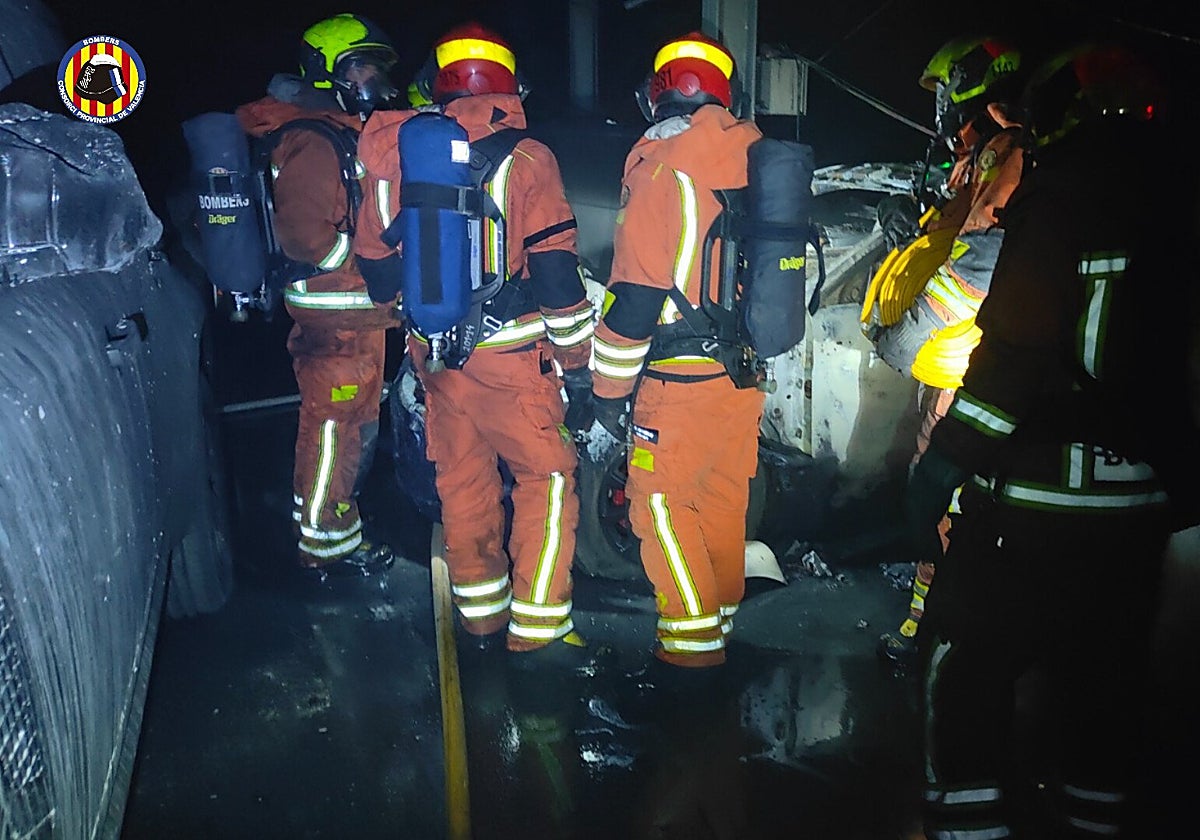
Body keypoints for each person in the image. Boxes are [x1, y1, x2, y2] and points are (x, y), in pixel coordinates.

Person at [906, 41, 1200, 838]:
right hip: (1140, 508)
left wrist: (943, 465)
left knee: (960, 669)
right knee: (1106, 693)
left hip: (1036, 501)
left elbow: (1013, 356)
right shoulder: (1178, 201)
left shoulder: (1062, 195)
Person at [353, 22, 596, 662]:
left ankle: (480, 622)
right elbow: (554, 270)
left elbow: (377, 266)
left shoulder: (403, 150)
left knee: (463, 485)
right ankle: (539, 632)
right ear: (511, 84)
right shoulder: (528, 157)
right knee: (547, 481)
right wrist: (578, 366)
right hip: (513, 362)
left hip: (436, 358)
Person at [587, 31, 766, 673]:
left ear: (658, 95)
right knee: (721, 499)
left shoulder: (660, 170)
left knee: (660, 505)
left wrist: (606, 399)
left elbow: (633, 297)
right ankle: (717, 628)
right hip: (741, 375)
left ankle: (688, 659)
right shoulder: (756, 159)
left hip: (677, 381)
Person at [863, 35, 1025, 662]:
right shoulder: (984, 154)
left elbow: (979, 260)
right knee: (939, 489)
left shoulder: (1009, 155)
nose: (942, 111)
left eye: (946, 94)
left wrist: (917, 326)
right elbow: (958, 231)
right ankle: (931, 622)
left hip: (967, 359)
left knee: (949, 492)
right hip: (956, 359)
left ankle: (937, 633)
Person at [235, 13, 402, 579]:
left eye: (376, 66)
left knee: (349, 425)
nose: (373, 77)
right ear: (325, 71)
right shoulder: (312, 136)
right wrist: (360, 266)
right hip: (337, 314)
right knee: (332, 428)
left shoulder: (336, 129)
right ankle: (324, 544)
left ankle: (338, 527)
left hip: (357, 314)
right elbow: (307, 237)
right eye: (361, 66)